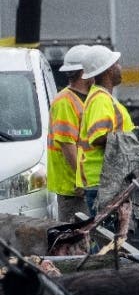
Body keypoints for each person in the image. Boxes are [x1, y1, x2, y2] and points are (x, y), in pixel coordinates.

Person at [76, 45, 139, 216]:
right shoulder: (100, 100)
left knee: (116, 232)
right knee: (107, 232)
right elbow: (98, 137)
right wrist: (132, 137)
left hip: (110, 181)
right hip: (103, 183)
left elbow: (130, 132)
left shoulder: (106, 98)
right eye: (117, 64)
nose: (120, 68)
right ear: (108, 70)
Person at [46, 44, 93, 223]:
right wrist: (83, 180)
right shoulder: (64, 102)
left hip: (83, 185)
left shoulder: (88, 98)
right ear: (84, 72)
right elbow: (67, 145)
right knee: (75, 236)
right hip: (73, 188)